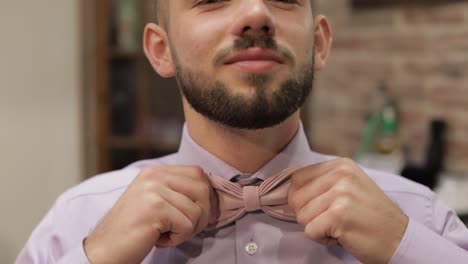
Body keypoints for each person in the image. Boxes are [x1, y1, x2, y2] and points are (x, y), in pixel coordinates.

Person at [17, 1, 468, 263]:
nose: (256, 12)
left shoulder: (421, 219)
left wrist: (408, 248)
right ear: (160, 49)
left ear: (319, 43)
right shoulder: (76, 225)